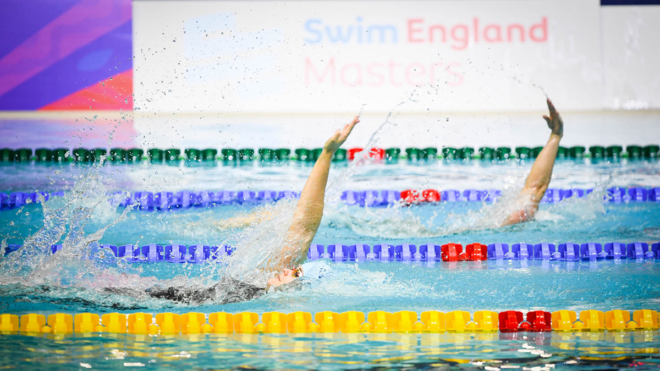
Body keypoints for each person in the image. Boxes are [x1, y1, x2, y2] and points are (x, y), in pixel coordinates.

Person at [142, 98, 563, 303]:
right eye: (293, 274)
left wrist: (327, 153)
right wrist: (326, 153)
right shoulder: (258, 283)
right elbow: (305, 225)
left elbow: (304, 227)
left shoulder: (255, 287)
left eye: (294, 275)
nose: (293, 272)